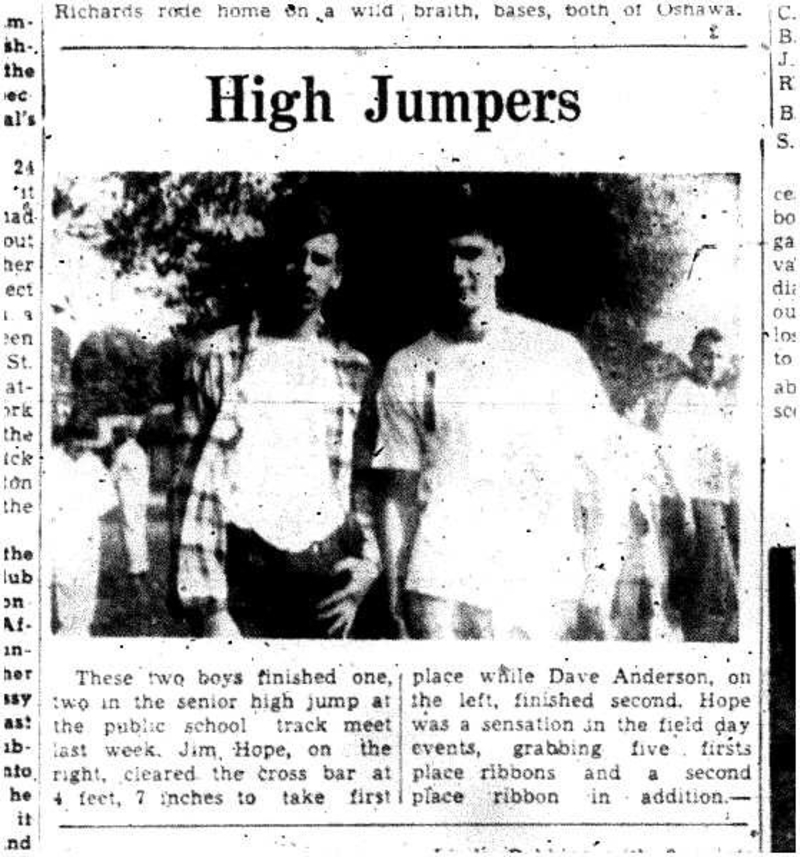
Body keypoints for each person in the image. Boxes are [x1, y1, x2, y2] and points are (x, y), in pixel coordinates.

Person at [374, 205, 626, 640]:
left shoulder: (556, 354)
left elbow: (606, 476)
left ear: (499, 260)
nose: (457, 269)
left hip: (540, 585)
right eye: (446, 256)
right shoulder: (407, 366)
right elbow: (398, 494)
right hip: (440, 587)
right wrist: (396, 592)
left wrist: (598, 587)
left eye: (471, 253)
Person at [177, 201, 380, 638]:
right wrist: (209, 609)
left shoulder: (353, 368)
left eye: (320, 259)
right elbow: (187, 486)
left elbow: (363, 484)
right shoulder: (218, 357)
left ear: (337, 276)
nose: (306, 270)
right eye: (295, 256)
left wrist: (368, 565)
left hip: (327, 579)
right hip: (244, 579)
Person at [659, 327, 739, 642]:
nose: (712, 363)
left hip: (715, 497)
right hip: (696, 498)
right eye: (705, 355)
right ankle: (702, 642)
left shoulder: (711, 396)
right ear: (693, 356)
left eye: (718, 357)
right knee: (711, 585)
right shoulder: (684, 391)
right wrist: (686, 503)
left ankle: (709, 635)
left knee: (724, 581)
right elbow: (670, 449)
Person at [48, 420, 117, 636]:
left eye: (86, 443)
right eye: (77, 441)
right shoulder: (51, 461)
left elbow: (109, 500)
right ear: (68, 437)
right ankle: (68, 630)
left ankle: (82, 631)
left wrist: (86, 508)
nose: (82, 447)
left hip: (86, 533)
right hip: (60, 533)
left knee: (86, 585)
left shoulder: (93, 463)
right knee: (64, 581)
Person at [110, 423, 151, 577]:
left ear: (121, 435)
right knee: (139, 530)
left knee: (130, 531)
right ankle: (143, 564)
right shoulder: (139, 450)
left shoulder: (122, 451)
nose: (114, 438)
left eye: (115, 435)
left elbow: (112, 476)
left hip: (129, 497)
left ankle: (135, 566)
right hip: (142, 496)